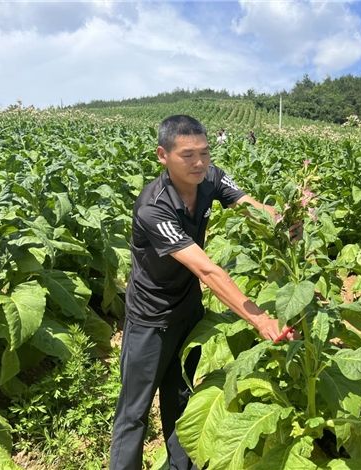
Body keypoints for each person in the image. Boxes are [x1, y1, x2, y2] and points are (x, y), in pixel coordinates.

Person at [110, 115, 297, 470]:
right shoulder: (154, 205)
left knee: (181, 399)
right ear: (162, 155)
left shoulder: (210, 176)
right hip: (151, 318)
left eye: (205, 153)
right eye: (188, 155)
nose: (199, 163)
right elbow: (207, 269)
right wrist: (261, 319)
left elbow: (251, 207)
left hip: (188, 309)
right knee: (134, 412)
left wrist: (285, 219)